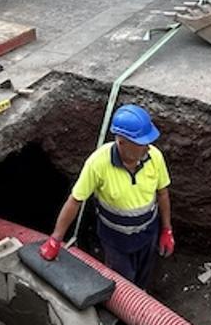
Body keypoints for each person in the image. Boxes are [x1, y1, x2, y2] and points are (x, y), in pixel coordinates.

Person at [39, 104, 174, 289]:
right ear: (122, 142)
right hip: (116, 241)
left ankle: (143, 307)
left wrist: (166, 229)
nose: (147, 147)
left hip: (148, 234)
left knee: (144, 278)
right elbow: (75, 201)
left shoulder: (154, 157)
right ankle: (126, 312)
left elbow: (163, 193)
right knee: (123, 286)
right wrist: (56, 238)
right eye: (142, 142)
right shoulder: (98, 163)